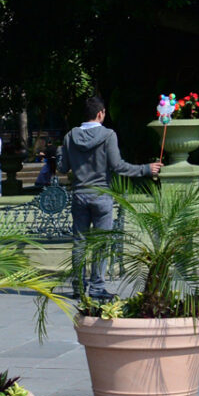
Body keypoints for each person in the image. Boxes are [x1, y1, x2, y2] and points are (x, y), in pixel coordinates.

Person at [58, 94, 162, 298]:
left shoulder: (70, 136)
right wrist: (146, 169)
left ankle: (78, 287)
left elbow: (63, 168)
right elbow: (118, 166)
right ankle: (97, 287)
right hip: (102, 195)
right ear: (100, 113)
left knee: (79, 243)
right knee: (101, 243)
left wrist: (60, 152)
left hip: (79, 194)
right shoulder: (108, 135)